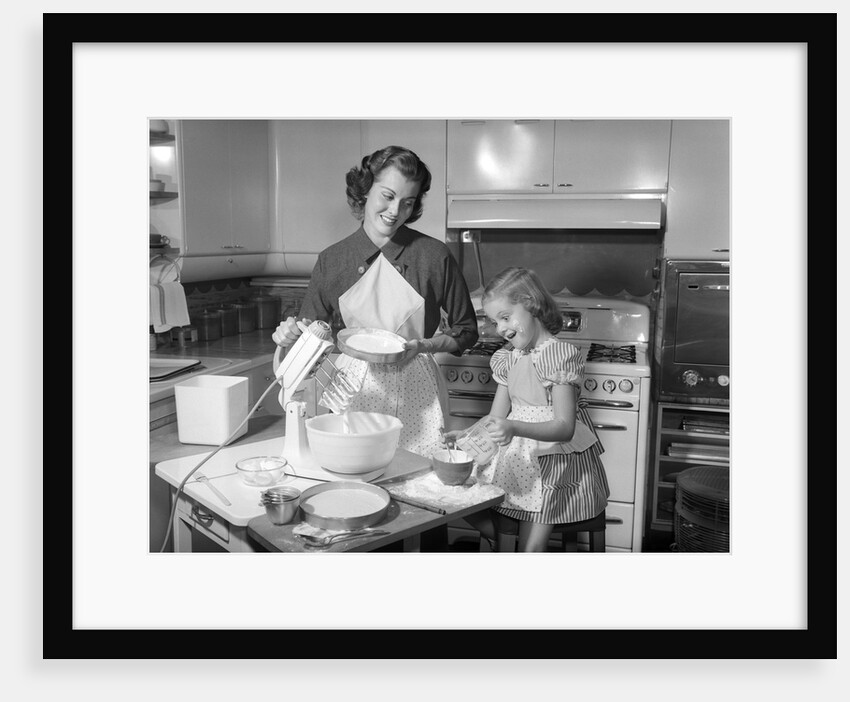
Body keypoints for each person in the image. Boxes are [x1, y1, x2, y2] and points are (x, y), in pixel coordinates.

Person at [272, 145, 479, 458]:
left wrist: (424, 346)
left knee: (419, 477)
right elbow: (309, 336)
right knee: (356, 475)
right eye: (388, 195)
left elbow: (466, 331)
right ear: (364, 190)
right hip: (350, 390)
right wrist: (289, 337)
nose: (396, 211)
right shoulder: (333, 260)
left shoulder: (434, 257)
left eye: (408, 202)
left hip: (417, 389)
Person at [455, 267, 609, 552]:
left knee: (530, 550)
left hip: (553, 466)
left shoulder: (557, 355)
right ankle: (500, 538)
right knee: (457, 494)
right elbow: (496, 418)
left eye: (505, 317)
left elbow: (564, 428)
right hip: (518, 461)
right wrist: (466, 434)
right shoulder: (508, 358)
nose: (501, 328)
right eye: (494, 321)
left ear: (531, 303)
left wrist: (514, 427)